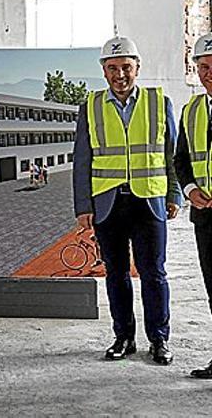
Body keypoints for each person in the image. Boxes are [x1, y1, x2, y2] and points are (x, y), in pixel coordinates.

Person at [73, 36, 180, 364]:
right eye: (113, 68)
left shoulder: (158, 102)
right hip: (108, 205)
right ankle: (124, 338)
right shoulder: (89, 106)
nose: (120, 74)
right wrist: (83, 206)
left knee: (154, 273)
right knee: (116, 274)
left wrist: (174, 193)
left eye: (126, 67)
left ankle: (159, 339)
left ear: (138, 68)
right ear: (104, 71)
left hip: (149, 201)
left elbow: (172, 154)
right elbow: (82, 160)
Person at [175, 32, 212, 378]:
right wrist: (188, 189)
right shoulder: (192, 111)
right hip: (206, 218)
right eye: (203, 67)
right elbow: (181, 160)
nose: (208, 73)